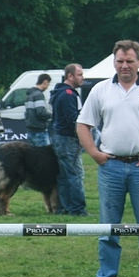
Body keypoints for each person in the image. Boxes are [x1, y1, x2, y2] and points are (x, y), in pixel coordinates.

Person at [77, 40, 139, 277]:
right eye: (120, 61)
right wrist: (94, 153)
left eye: (129, 61)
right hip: (111, 168)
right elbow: (83, 124)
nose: (124, 65)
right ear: (114, 62)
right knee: (108, 227)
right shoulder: (101, 90)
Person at [50, 63, 87, 216]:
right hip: (67, 139)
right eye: (79, 74)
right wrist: (82, 135)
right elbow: (73, 119)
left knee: (65, 174)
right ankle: (77, 209)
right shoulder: (68, 95)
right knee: (74, 174)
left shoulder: (60, 92)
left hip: (60, 138)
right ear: (70, 76)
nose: (82, 78)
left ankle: (64, 207)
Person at [25, 73, 52, 146]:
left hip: (30, 129)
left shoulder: (29, 95)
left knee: (33, 155)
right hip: (39, 130)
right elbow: (41, 112)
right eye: (48, 84)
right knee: (43, 155)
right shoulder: (39, 95)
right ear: (45, 82)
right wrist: (52, 115)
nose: (48, 86)